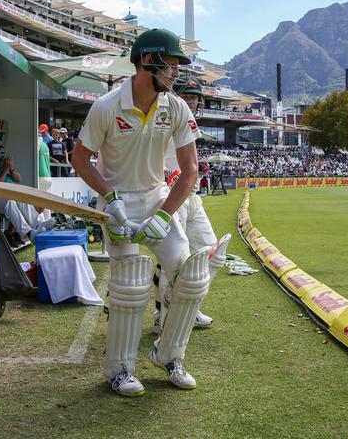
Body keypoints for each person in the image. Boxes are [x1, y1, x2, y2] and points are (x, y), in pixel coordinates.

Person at [72, 28, 208, 397]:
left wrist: (164, 216)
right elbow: (80, 158)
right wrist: (110, 199)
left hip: (155, 198)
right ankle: (119, 369)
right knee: (129, 283)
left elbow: (191, 170)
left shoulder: (176, 106)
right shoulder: (107, 106)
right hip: (117, 204)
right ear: (149, 61)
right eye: (172, 64)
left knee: (190, 273)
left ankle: (169, 356)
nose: (177, 72)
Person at [153, 76, 230, 333]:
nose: (192, 101)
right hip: (171, 195)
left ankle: (188, 308)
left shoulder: (189, 119)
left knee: (212, 252)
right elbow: (151, 152)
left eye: (195, 97)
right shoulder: (164, 115)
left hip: (192, 195)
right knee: (173, 261)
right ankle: (163, 320)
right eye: (187, 96)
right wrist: (164, 173)